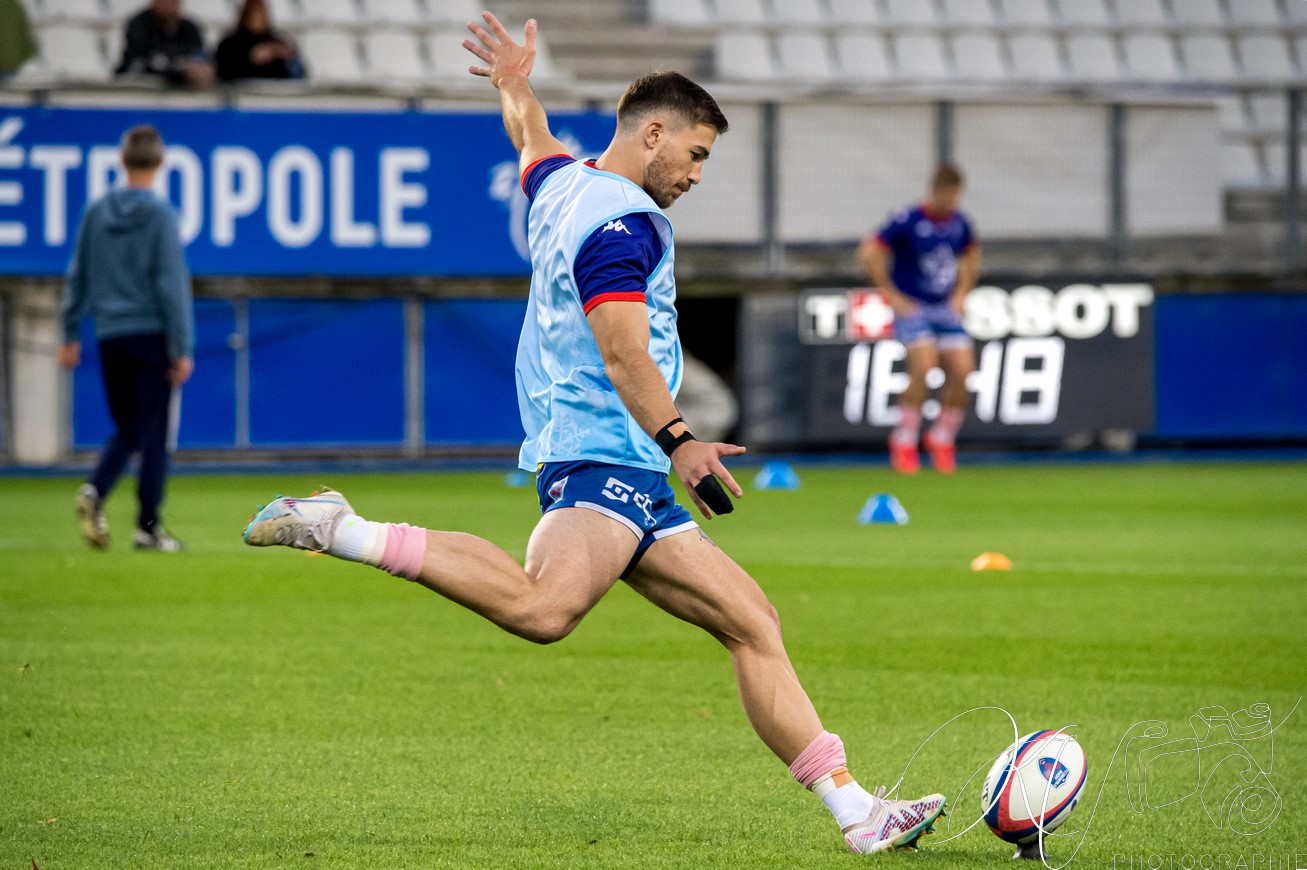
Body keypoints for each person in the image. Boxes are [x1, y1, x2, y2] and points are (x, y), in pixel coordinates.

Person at [242, 12, 946, 855]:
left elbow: (527, 136)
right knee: (545, 607)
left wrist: (513, 82)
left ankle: (857, 814)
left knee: (751, 622)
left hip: (627, 462)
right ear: (653, 132)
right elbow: (620, 348)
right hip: (599, 448)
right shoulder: (624, 223)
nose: (695, 174)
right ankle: (338, 527)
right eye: (694, 153)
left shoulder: (561, 181)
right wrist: (682, 437)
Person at [60, 125, 194, 553]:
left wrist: (69, 331)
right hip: (151, 333)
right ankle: (146, 526)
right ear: (160, 162)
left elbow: (77, 274)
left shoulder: (97, 212)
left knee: (128, 427)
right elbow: (171, 284)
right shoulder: (160, 215)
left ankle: (97, 494)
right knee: (152, 433)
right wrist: (182, 345)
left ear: (122, 161)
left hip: (110, 335)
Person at [858, 164, 981, 475]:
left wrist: (962, 292)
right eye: (948, 195)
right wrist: (891, 294)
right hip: (915, 307)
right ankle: (904, 438)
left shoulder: (960, 223)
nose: (951, 202)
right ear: (936, 190)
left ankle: (941, 436)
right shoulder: (909, 219)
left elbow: (972, 256)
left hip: (944, 307)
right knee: (924, 366)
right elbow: (870, 251)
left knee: (963, 371)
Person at [115, 0, 215, 87]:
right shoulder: (139, 26)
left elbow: (198, 56)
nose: (169, 4)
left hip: (181, 89)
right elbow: (144, 61)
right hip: (142, 90)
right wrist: (181, 72)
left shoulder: (190, 28)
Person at [214, 0, 303, 83]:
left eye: (262, 14)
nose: (259, 19)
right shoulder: (230, 45)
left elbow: (298, 75)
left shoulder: (277, 43)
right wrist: (251, 58)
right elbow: (224, 73)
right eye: (255, 15)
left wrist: (288, 57)